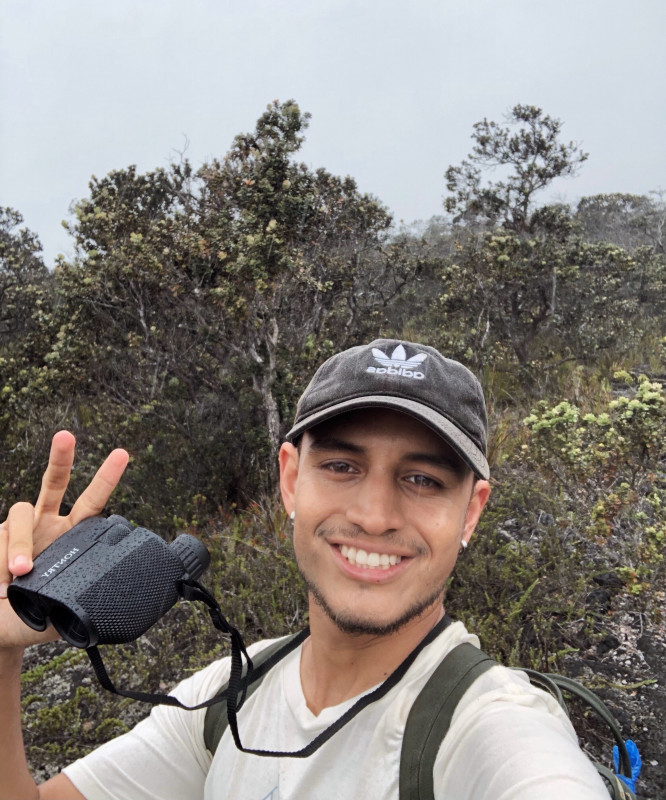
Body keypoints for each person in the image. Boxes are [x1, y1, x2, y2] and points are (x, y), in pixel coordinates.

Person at [0, 339, 610, 799]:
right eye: (343, 466)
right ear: (291, 479)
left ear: (470, 511)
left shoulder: (488, 729)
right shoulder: (227, 697)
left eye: (422, 479)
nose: (374, 516)